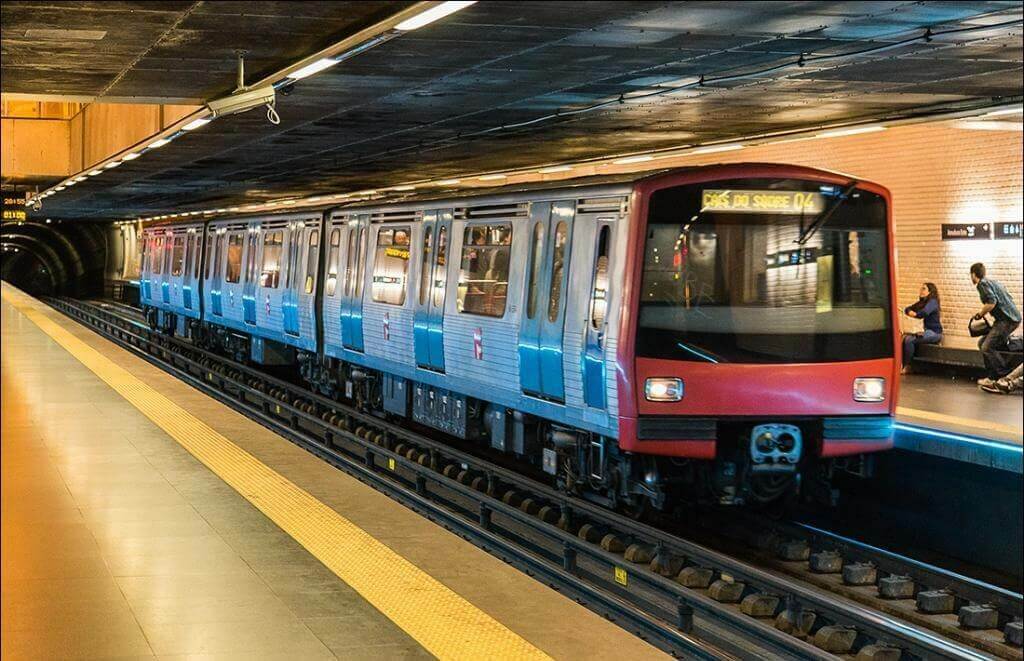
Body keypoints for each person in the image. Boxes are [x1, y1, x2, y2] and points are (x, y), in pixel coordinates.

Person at [970, 262, 1022, 389]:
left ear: (973, 274)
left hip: (1007, 320)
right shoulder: (993, 282)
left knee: (986, 346)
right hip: (1008, 319)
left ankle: (1002, 376)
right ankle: (992, 376)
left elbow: (991, 302)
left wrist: (980, 314)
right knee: (982, 343)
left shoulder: (982, 284)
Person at [901, 282, 942, 373]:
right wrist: (910, 312)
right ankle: (903, 365)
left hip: (934, 333)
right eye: (921, 289)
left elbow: (924, 313)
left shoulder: (933, 302)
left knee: (909, 340)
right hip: (924, 331)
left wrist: (915, 314)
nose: (921, 291)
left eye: (924, 289)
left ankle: (908, 366)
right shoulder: (922, 302)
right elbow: (908, 309)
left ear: (930, 292)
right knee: (904, 338)